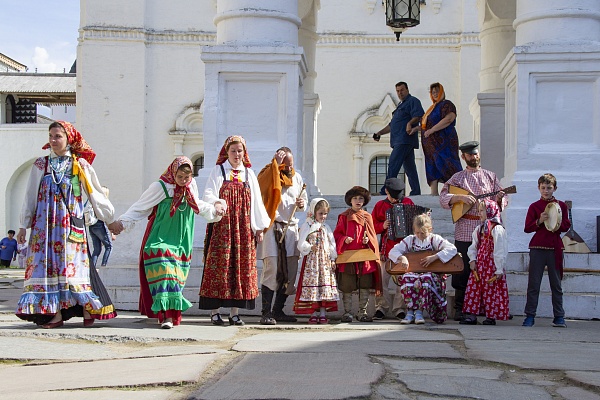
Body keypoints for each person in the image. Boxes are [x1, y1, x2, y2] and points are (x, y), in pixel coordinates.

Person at [15, 121, 117, 328]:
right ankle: (56, 313)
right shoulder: (40, 165)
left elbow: (95, 193)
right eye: (51, 136)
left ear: (68, 138)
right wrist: (23, 226)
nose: (53, 140)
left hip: (70, 227)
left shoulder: (80, 165)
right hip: (44, 231)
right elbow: (30, 196)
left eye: (58, 136)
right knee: (48, 270)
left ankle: (88, 308)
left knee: (71, 269)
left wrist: (110, 219)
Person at [111, 157, 226, 329]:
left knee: (177, 277)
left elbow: (198, 205)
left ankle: (172, 315)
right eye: (180, 177)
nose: (183, 181)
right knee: (164, 270)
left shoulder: (190, 186)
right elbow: (141, 207)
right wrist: (123, 222)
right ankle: (166, 316)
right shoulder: (160, 186)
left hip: (182, 238)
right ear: (173, 172)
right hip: (160, 237)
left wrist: (215, 211)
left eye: (186, 178)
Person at [199, 135, 271, 326]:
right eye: (233, 151)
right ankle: (215, 312)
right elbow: (208, 193)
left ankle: (235, 313)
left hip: (243, 229)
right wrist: (216, 202)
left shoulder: (249, 173)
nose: (237, 154)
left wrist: (258, 227)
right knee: (219, 268)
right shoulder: (219, 170)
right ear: (227, 152)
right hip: (223, 227)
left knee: (241, 269)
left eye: (240, 151)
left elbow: (256, 202)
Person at [439, 141, 507, 322]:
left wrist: (500, 199)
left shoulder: (490, 177)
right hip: (464, 228)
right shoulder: (458, 178)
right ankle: (461, 307)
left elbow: (503, 197)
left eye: (475, 154)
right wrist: (459, 197)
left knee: (485, 269)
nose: (473, 157)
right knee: (463, 269)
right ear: (463, 157)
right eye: (469, 155)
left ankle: (486, 307)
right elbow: (443, 197)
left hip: (486, 231)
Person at [256, 147, 308, 324]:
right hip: (272, 227)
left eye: (290, 164)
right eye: (284, 164)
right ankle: (266, 312)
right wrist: (275, 165)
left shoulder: (297, 177)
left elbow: (304, 202)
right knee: (272, 269)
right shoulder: (268, 173)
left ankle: (278, 310)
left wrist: (302, 203)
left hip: (291, 228)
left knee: (290, 271)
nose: (288, 167)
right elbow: (260, 186)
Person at [388, 213, 457, 324]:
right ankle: (410, 312)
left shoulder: (434, 239)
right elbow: (393, 251)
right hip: (415, 273)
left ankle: (419, 312)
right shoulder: (411, 240)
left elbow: (452, 249)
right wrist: (402, 258)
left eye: (423, 233)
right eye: (417, 232)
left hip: (432, 275)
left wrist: (435, 257)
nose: (419, 235)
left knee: (425, 278)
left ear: (430, 229)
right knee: (407, 277)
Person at [522, 173, 570, 328]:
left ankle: (559, 316)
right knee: (534, 284)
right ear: (538, 188)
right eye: (543, 188)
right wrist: (539, 221)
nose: (546, 191)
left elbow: (565, 226)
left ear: (554, 188)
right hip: (537, 247)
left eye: (549, 188)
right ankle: (530, 316)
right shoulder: (534, 206)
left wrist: (555, 220)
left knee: (556, 284)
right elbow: (527, 228)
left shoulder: (561, 206)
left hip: (555, 247)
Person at [333, 186, 381, 322]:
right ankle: (347, 313)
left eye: (361, 198)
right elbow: (337, 235)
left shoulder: (367, 217)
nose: (358, 201)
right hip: (348, 257)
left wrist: (368, 240)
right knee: (347, 286)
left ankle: (362, 312)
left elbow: (372, 237)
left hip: (364, 257)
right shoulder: (343, 217)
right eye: (355, 198)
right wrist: (344, 239)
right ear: (350, 200)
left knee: (364, 285)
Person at [461, 199, 509, 325]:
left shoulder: (497, 229)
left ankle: (490, 316)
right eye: (479, 211)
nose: (479, 213)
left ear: (490, 211)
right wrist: (472, 259)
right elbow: (474, 246)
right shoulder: (479, 228)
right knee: (474, 289)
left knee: (491, 290)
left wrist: (499, 269)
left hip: (491, 266)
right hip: (480, 265)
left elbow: (500, 250)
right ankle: (472, 315)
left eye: (482, 210)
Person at [371, 178, 413, 321]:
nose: (396, 199)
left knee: (401, 280)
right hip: (385, 249)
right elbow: (371, 226)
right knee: (381, 281)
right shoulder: (380, 205)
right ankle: (381, 308)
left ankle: (399, 309)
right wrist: (381, 226)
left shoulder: (408, 203)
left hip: (403, 251)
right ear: (387, 192)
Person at [373, 81, 424, 196]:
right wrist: (380, 133)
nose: (400, 93)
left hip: (404, 140)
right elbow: (392, 125)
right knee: (410, 169)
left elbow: (418, 115)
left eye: (402, 90)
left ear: (407, 90)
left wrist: (410, 123)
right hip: (400, 141)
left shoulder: (413, 101)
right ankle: (416, 192)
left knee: (393, 164)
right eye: (398, 91)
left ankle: (385, 191)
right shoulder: (400, 106)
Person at [293, 198, 339, 324]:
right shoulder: (307, 225)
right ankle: (313, 313)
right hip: (312, 262)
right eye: (320, 213)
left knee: (323, 286)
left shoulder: (326, 227)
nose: (323, 216)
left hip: (324, 262)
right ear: (314, 212)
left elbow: (331, 244)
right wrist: (309, 247)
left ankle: (323, 312)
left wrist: (333, 259)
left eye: (325, 213)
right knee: (312, 287)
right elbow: (301, 243)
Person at [419, 82, 463, 196]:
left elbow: (449, 119)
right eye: (432, 92)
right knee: (431, 165)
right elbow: (426, 124)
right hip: (431, 144)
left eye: (437, 92)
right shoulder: (431, 109)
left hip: (444, 141)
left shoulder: (446, 104)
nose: (435, 94)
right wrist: (416, 129)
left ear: (442, 92)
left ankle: (457, 189)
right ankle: (434, 192)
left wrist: (432, 130)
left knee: (448, 162)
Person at [86, 186, 115, 267]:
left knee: (97, 249)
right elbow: (107, 218)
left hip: (91, 226)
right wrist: (112, 233)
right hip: (100, 224)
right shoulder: (104, 203)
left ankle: (92, 267)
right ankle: (104, 265)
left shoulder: (93, 201)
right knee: (109, 246)